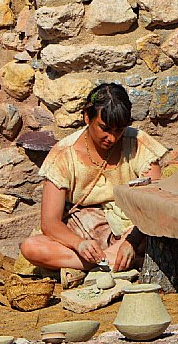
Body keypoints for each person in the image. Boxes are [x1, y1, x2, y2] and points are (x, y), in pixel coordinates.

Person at [19, 83, 168, 286]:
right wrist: (79, 244)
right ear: (87, 117)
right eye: (104, 129)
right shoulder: (63, 155)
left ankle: (104, 263)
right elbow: (50, 222)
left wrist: (131, 241)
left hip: (134, 230)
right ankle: (113, 262)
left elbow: (155, 202)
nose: (112, 138)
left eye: (119, 130)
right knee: (31, 247)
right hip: (84, 230)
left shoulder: (139, 144)